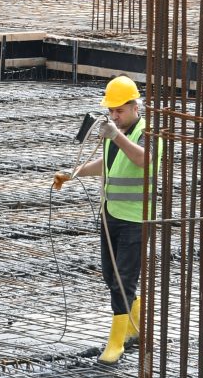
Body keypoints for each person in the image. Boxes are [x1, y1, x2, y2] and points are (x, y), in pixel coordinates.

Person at [54, 76, 157, 363]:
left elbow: (143, 160)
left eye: (119, 110)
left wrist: (116, 136)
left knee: (124, 280)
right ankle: (136, 327)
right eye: (111, 111)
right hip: (110, 213)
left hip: (137, 219)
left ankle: (117, 342)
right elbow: (108, 165)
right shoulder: (117, 133)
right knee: (111, 276)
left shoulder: (148, 133)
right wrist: (74, 173)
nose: (114, 115)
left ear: (135, 107)